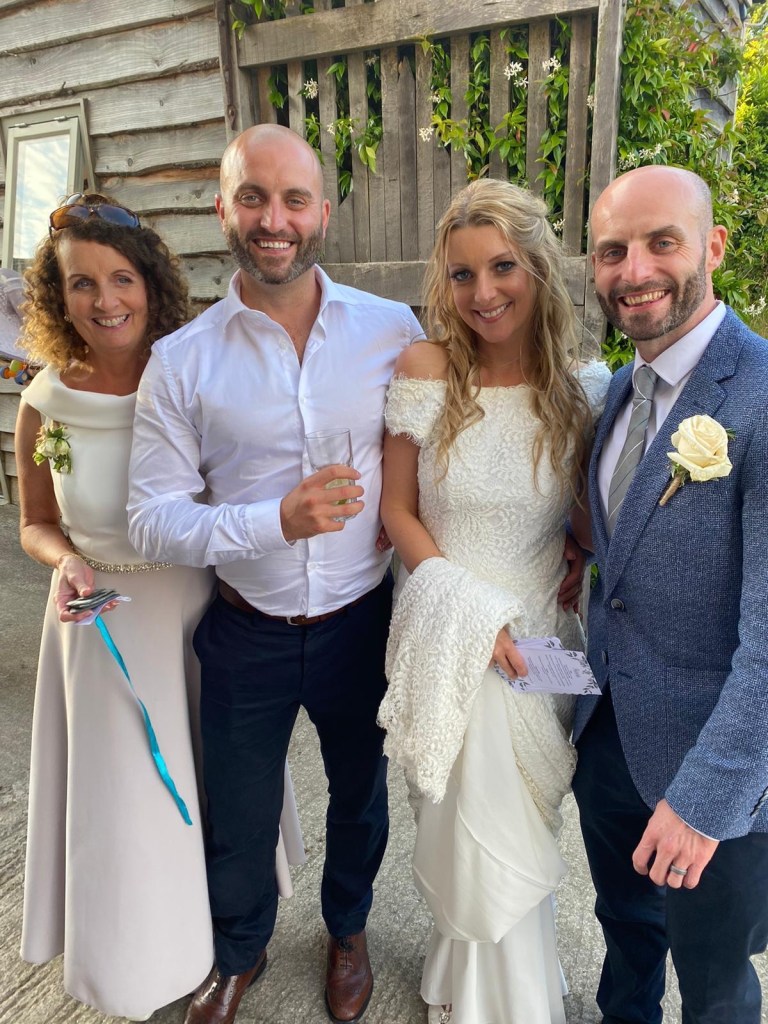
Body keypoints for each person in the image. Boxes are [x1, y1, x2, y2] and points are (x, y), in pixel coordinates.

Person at [126, 124, 424, 1024]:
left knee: (361, 797)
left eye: (294, 199)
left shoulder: (391, 331)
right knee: (241, 810)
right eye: (253, 197)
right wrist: (275, 522)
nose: (274, 220)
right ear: (223, 208)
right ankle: (240, 949)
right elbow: (151, 518)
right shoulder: (181, 361)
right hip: (246, 628)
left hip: (361, 622)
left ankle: (348, 929)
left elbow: (442, 453)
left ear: (323, 211)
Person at [15, 194, 302, 1021]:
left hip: (196, 609)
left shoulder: (191, 375)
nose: (105, 301)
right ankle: (134, 958)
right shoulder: (44, 401)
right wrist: (66, 561)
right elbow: (35, 522)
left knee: (224, 784)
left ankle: (233, 939)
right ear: (58, 297)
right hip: (98, 618)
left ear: (151, 284)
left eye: (122, 279)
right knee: (123, 803)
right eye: (81, 284)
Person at [378, 177, 611, 1024]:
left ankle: (505, 992)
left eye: (502, 266)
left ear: (538, 267)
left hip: (539, 643)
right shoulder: (426, 370)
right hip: (450, 632)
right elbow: (397, 512)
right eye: (463, 274)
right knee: (462, 831)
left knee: (522, 828)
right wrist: (473, 620)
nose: (483, 293)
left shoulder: (580, 388)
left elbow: (583, 516)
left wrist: (582, 551)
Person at [570, 164, 768, 1024]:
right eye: (613, 251)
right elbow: (622, 552)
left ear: (713, 247)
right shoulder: (622, 388)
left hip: (714, 769)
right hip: (609, 737)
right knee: (626, 937)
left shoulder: (760, 394)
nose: (635, 270)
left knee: (715, 984)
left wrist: (702, 803)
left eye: (662, 243)